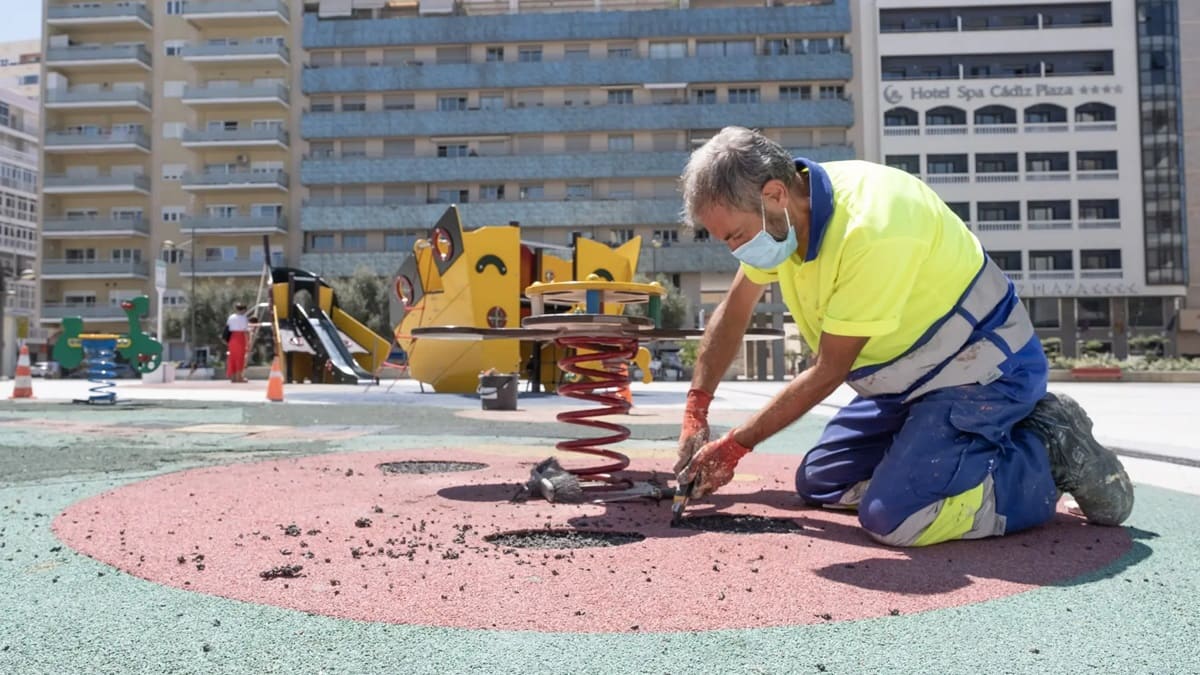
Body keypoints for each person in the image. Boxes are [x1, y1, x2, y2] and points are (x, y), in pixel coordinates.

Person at [674, 126, 1133, 547]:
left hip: (984, 374)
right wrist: (697, 409)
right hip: (907, 388)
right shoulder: (784, 219)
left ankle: (1046, 450)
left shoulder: (871, 229)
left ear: (773, 194)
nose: (737, 250)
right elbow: (734, 312)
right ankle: (948, 455)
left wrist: (735, 445)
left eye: (735, 236)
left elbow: (829, 370)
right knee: (821, 482)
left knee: (896, 519)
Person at [224, 302, 250, 383]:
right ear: (243, 310)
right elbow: (245, 331)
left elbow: (227, 327)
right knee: (240, 358)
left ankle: (233, 377)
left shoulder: (231, 317)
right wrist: (248, 341)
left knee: (232, 358)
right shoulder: (244, 318)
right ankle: (239, 377)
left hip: (232, 338)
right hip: (240, 338)